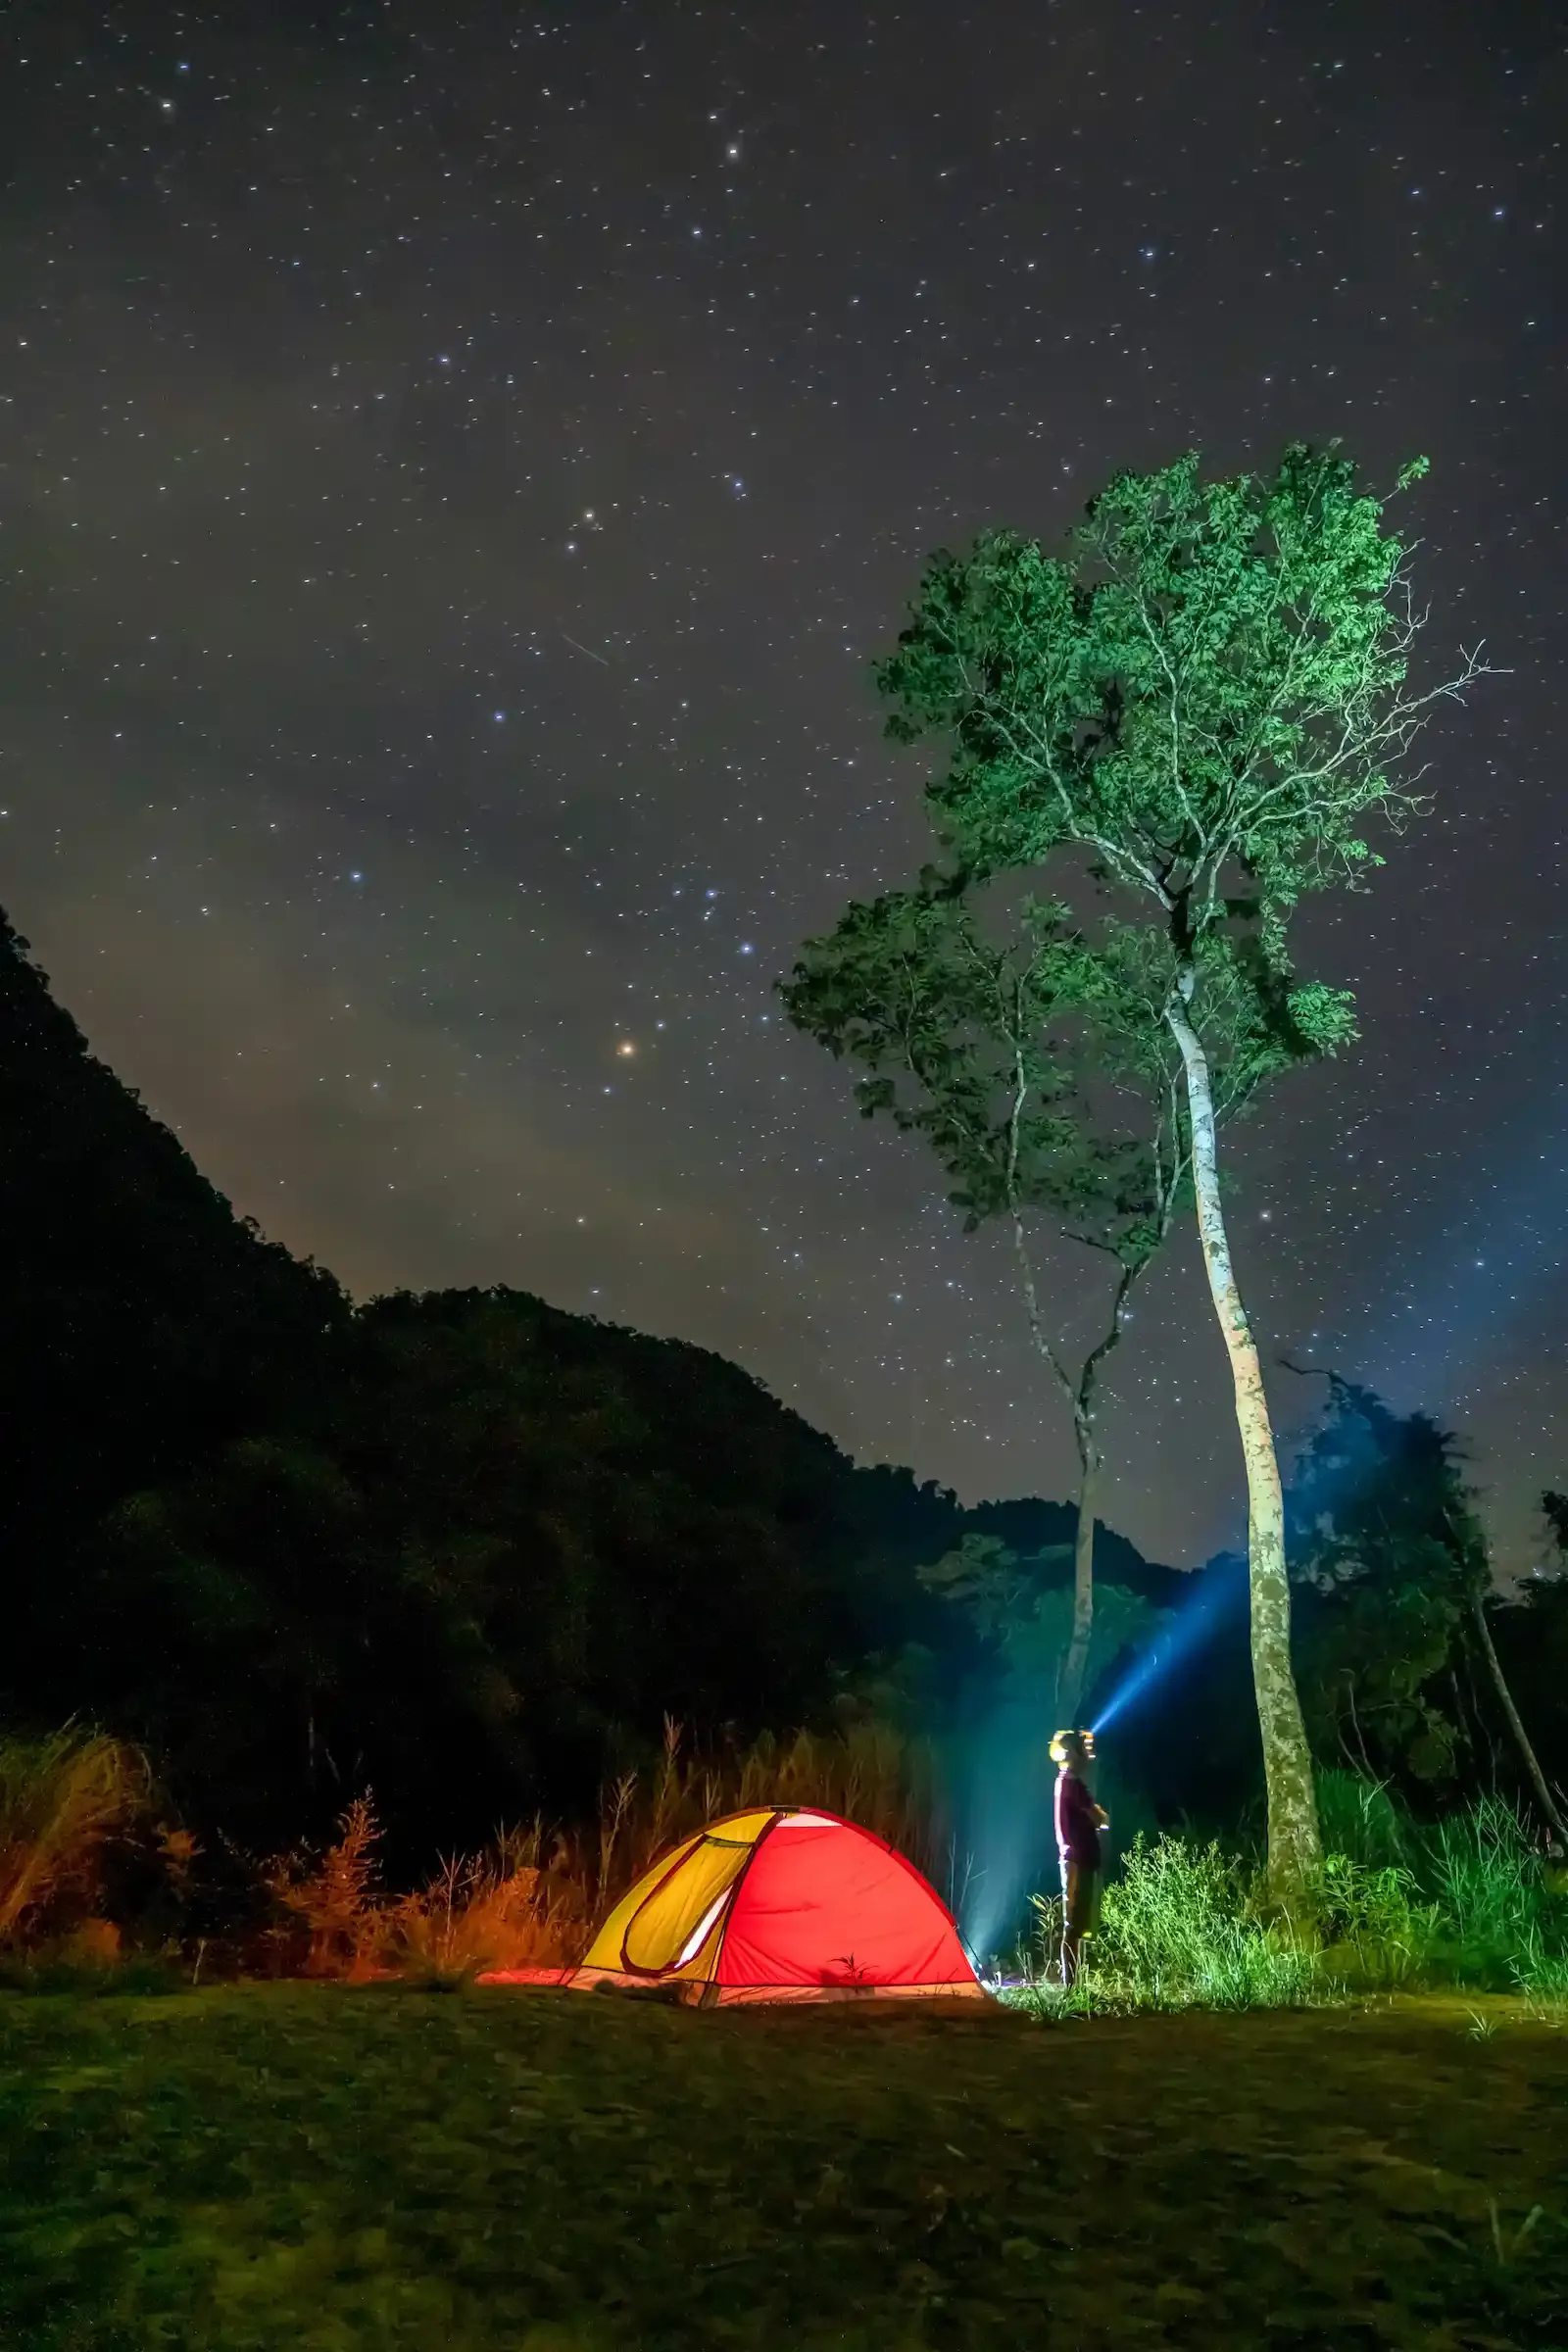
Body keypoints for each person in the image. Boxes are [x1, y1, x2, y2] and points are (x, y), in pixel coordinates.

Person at [1052, 1728, 1108, 1987]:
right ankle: (1072, 1989)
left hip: (1075, 1858)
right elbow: (1099, 1818)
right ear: (1074, 1753)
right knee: (1074, 1925)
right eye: (1083, 1750)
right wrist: (1100, 1815)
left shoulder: (1065, 1781)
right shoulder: (1073, 1785)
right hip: (1077, 1859)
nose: (1088, 1755)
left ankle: (1075, 1986)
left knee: (1077, 1924)